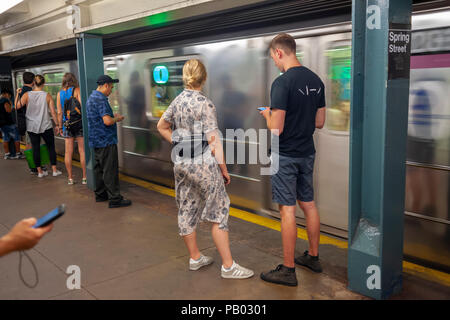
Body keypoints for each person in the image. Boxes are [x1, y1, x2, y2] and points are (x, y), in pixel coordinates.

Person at [157, 59, 254, 279]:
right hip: (203, 165)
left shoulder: (178, 101)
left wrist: (177, 142)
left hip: (181, 163)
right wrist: (224, 169)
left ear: (185, 77)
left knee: (187, 207)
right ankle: (228, 266)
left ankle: (195, 258)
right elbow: (214, 141)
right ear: (204, 77)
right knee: (219, 211)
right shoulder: (205, 104)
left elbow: (161, 126)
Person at [259, 33, 326, 287]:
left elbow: (277, 128)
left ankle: (288, 270)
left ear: (279, 52)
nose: (275, 63)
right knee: (308, 204)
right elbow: (319, 122)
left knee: (287, 209)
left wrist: (267, 114)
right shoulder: (316, 81)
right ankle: (313, 257)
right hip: (307, 152)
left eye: (274, 58)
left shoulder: (282, 83)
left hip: (284, 154)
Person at [86, 75, 131, 208]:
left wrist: (112, 117)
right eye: (111, 87)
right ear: (105, 85)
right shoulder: (101, 99)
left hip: (95, 140)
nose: (111, 90)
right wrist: (117, 118)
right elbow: (107, 121)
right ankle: (115, 199)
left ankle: (101, 195)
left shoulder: (91, 98)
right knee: (109, 170)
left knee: (99, 169)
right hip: (106, 140)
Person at [17, 75, 62, 178]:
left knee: (35, 148)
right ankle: (54, 170)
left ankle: (40, 172)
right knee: (51, 147)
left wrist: (17, 94)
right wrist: (58, 125)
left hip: (32, 127)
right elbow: (53, 113)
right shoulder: (47, 95)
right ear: (43, 83)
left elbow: (18, 106)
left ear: (33, 83)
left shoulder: (27, 95)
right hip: (46, 126)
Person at [56, 73, 87, 185]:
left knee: (68, 152)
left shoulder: (60, 93)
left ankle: (70, 178)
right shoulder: (77, 90)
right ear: (74, 80)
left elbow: (59, 112)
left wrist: (60, 126)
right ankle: (84, 177)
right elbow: (83, 108)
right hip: (79, 124)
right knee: (82, 151)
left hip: (67, 125)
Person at [14, 72, 44, 174]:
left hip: (24, 121)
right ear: (33, 81)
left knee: (28, 144)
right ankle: (35, 167)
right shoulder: (31, 92)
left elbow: (16, 106)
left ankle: (33, 166)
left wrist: (17, 93)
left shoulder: (21, 91)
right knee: (34, 144)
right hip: (32, 122)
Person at [0, 88, 24, 159]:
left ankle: (7, 154)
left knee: (5, 138)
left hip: (2, 124)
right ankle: (18, 153)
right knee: (16, 137)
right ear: (6, 94)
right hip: (9, 123)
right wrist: (10, 103)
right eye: (9, 95)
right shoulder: (5, 100)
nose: (9, 97)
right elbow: (8, 110)